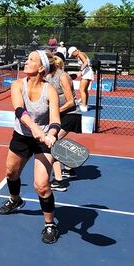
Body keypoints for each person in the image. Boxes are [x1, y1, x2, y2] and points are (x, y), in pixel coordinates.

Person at [0, 49, 62, 244]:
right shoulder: (18, 85)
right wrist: (34, 128)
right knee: (11, 173)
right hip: (21, 136)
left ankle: (50, 224)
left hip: (43, 141)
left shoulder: (50, 90)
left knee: (41, 185)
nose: (26, 62)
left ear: (41, 68)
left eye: (31, 60)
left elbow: (55, 119)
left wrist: (51, 134)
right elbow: (19, 110)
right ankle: (15, 199)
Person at [48, 52, 82, 192]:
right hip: (60, 115)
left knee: (52, 144)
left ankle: (59, 181)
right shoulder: (48, 76)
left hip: (70, 115)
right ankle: (69, 168)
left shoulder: (63, 76)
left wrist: (55, 112)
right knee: (54, 143)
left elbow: (70, 102)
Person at [67, 46, 93, 113]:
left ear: (75, 51)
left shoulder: (80, 54)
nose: (72, 56)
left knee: (82, 90)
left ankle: (84, 106)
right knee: (84, 90)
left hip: (87, 72)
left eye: (72, 54)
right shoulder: (80, 54)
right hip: (87, 72)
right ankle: (85, 105)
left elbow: (86, 63)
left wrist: (80, 71)